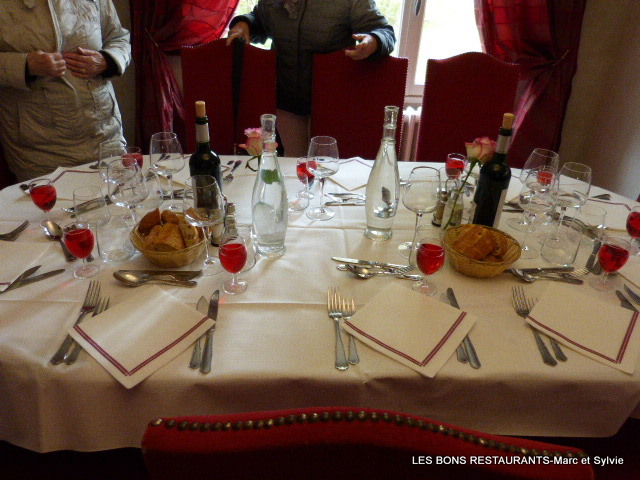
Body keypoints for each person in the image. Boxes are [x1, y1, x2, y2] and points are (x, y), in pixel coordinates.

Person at [226, 0, 395, 157]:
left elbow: (385, 32)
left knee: (328, 170)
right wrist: (245, 23)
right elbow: (260, 20)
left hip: (332, 105)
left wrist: (374, 41)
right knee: (293, 170)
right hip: (286, 103)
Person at [0, 0, 131, 182]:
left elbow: (119, 38)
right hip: (38, 147)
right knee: (51, 201)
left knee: (118, 197)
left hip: (104, 135)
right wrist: (26, 65)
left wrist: (106, 61)